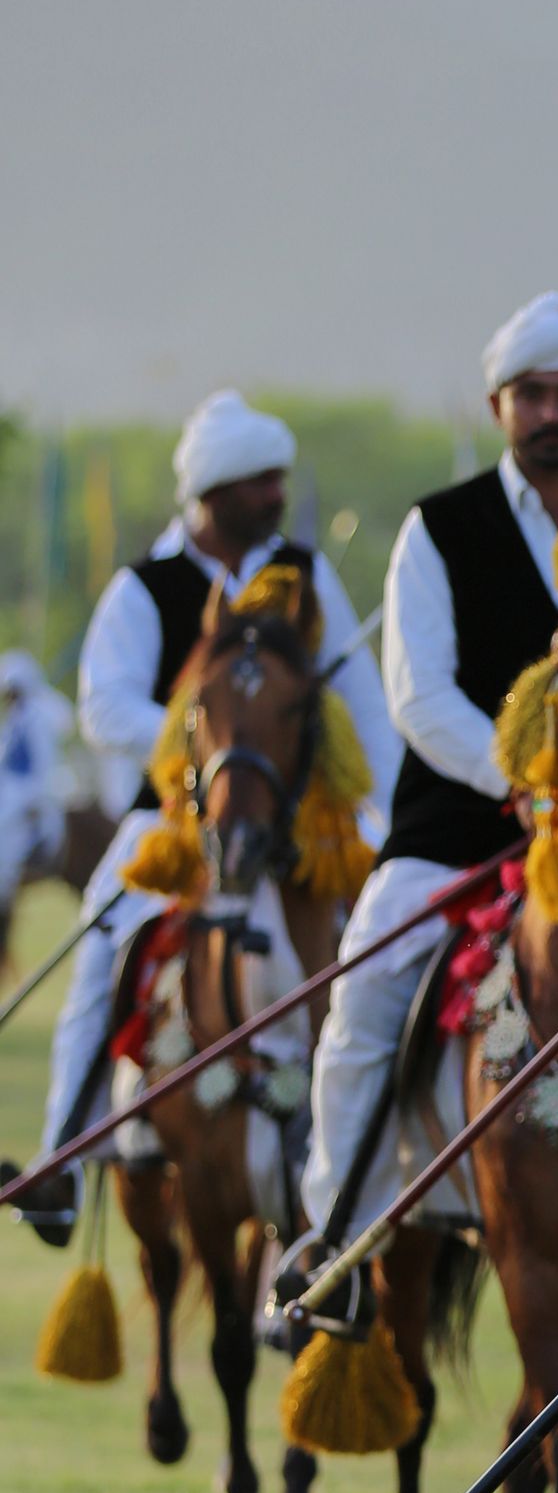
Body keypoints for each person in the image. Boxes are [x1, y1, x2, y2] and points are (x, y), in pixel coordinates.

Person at [291, 294, 558, 1277]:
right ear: (498, 403)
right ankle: (341, 1235)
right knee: (362, 1001)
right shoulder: (438, 527)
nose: (551, 412)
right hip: (455, 834)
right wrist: (526, 783)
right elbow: (417, 695)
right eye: (531, 395)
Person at [6, 394, 398, 1244]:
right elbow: (104, 707)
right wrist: (218, 745)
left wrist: (386, 823)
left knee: (375, 954)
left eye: (278, 480)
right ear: (214, 491)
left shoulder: (304, 572)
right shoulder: (145, 588)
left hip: (297, 832)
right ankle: (62, 1163)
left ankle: (389, 1163)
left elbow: (364, 708)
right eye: (261, 482)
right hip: (170, 830)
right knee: (98, 947)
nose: (275, 495)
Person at [0, 650, 71, 936]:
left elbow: (41, 765)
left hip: (25, 793)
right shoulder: (17, 719)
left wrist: (31, 797)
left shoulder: (36, 718)